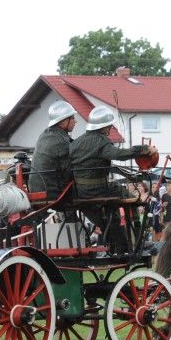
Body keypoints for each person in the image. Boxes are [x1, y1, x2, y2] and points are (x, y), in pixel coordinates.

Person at [68, 105, 156, 252]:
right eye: (109, 126)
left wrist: (129, 176)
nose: (110, 129)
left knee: (113, 212)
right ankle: (138, 242)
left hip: (80, 190)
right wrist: (143, 149)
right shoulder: (101, 142)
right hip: (98, 189)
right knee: (133, 199)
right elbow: (119, 155)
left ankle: (120, 245)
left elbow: (98, 166)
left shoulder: (76, 143)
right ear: (104, 127)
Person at [29, 100, 78, 200]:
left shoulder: (45, 135)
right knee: (92, 192)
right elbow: (71, 172)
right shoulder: (61, 141)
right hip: (54, 194)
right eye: (72, 118)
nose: (75, 121)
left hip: (37, 189)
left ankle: (71, 216)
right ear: (63, 121)